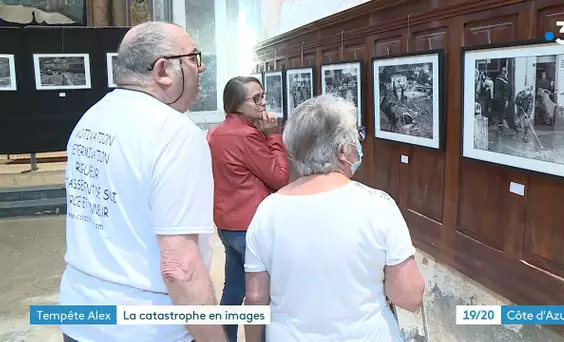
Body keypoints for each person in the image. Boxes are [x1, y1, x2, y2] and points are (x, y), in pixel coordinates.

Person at [60, 22, 226, 342]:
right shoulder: (174, 134)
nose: (201, 67)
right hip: (146, 327)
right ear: (163, 70)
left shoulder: (92, 117)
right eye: (192, 58)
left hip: (80, 314)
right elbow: (180, 267)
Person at [243, 94, 426, 342]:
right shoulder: (378, 205)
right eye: (356, 136)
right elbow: (409, 296)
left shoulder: (267, 211)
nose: (359, 145)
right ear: (343, 150)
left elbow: (255, 298)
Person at [207, 76, 290, 342]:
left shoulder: (216, 132)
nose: (263, 102)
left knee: (233, 289)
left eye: (263, 95)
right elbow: (279, 177)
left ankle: (225, 337)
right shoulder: (247, 136)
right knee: (261, 295)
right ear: (236, 105)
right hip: (250, 227)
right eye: (256, 98)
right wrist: (273, 137)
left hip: (226, 224)